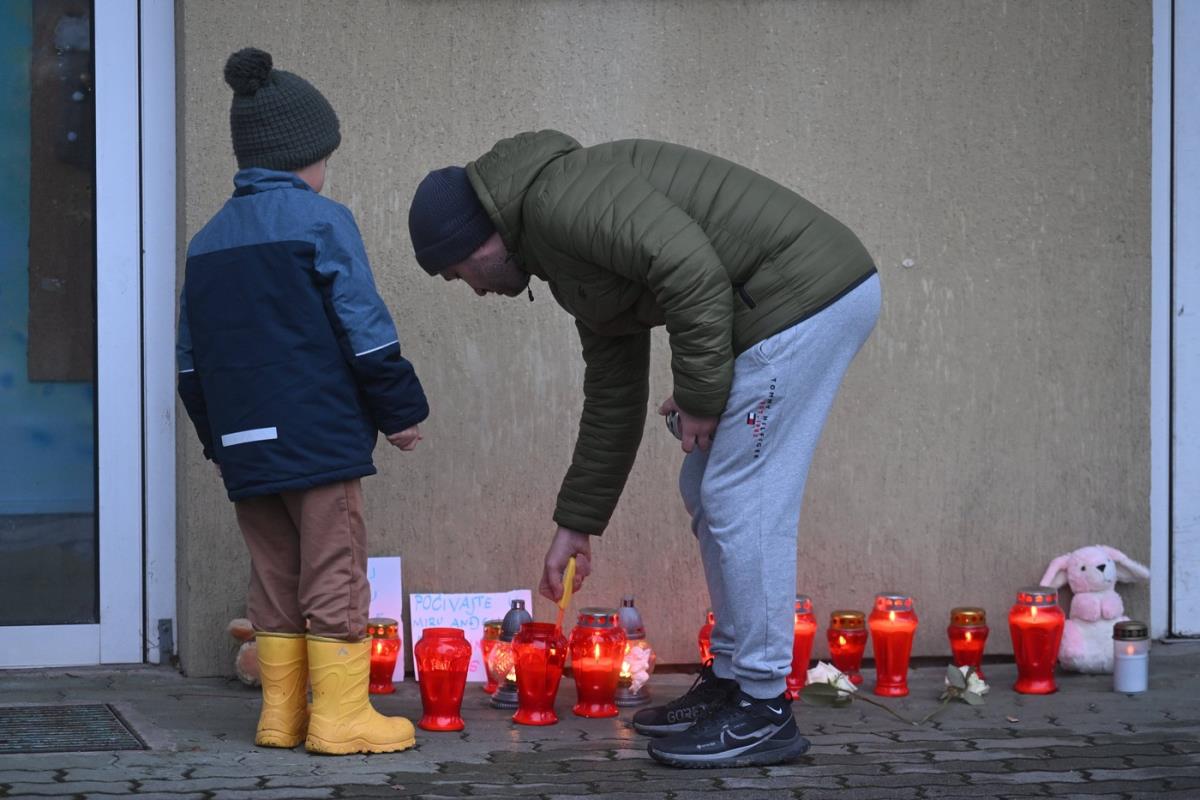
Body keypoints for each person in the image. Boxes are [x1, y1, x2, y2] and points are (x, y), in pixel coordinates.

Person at [408, 130, 880, 768]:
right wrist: (577, 525)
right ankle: (736, 682)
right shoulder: (562, 253)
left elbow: (691, 271)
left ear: (478, 238)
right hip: (773, 304)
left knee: (743, 496)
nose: (471, 288)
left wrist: (701, 395)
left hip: (804, 294)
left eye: (458, 272)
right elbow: (613, 392)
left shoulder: (561, 201)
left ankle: (765, 709)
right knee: (706, 486)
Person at [177, 48, 429, 756]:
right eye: (326, 157)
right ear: (304, 156)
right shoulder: (321, 221)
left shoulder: (206, 242)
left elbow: (190, 362)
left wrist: (217, 440)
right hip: (316, 437)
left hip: (244, 445)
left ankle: (280, 717)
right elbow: (364, 328)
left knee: (273, 575)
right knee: (333, 567)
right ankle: (341, 717)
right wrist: (399, 411)